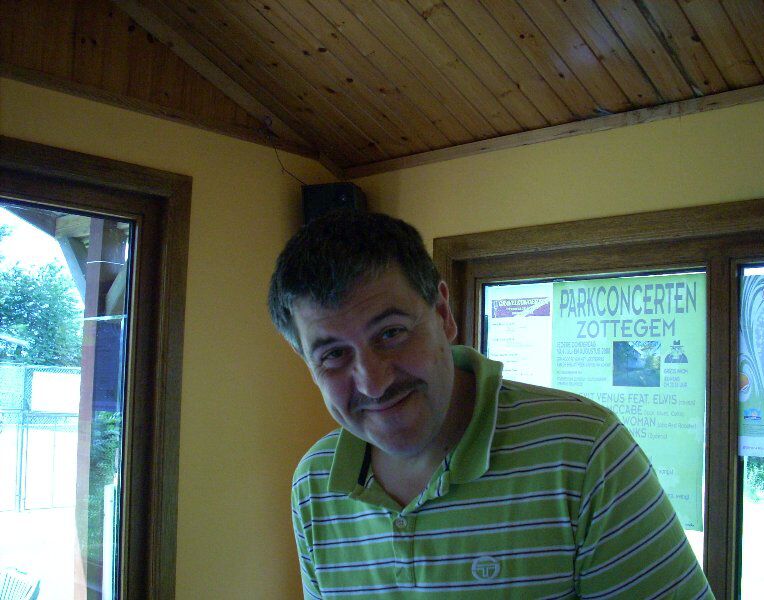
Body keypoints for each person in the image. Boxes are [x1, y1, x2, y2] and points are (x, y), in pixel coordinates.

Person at [268, 210, 713, 599]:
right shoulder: (314, 484)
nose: (373, 382)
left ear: (443, 314)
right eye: (333, 354)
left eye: (391, 333)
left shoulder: (586, 454)